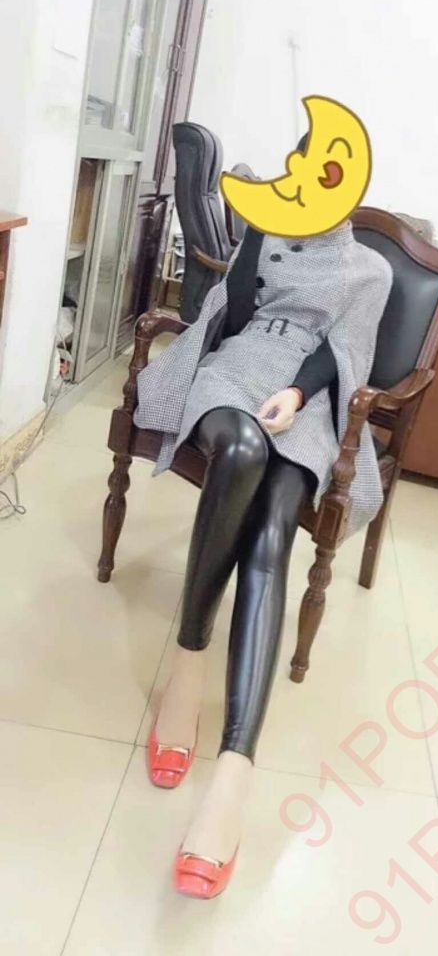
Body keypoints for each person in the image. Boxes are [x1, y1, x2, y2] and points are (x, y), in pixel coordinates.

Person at [134, 217, 392, 899]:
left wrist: (299, 393)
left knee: (274, 527)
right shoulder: (267, 236)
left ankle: (233, 772)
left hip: (312, 399)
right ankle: (188, 668)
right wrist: (255, 233)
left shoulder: (371, 269)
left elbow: (346, 349)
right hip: (236, 367)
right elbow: (233, 312)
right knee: (243, 451)